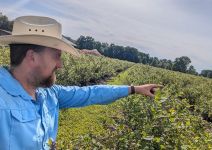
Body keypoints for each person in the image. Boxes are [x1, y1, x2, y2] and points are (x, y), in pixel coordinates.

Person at [0, 16, 161, 150]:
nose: (60, 64)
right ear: (32, 57)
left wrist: (134, 89)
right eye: (57, 56)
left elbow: (91, 93)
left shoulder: (48, 94)